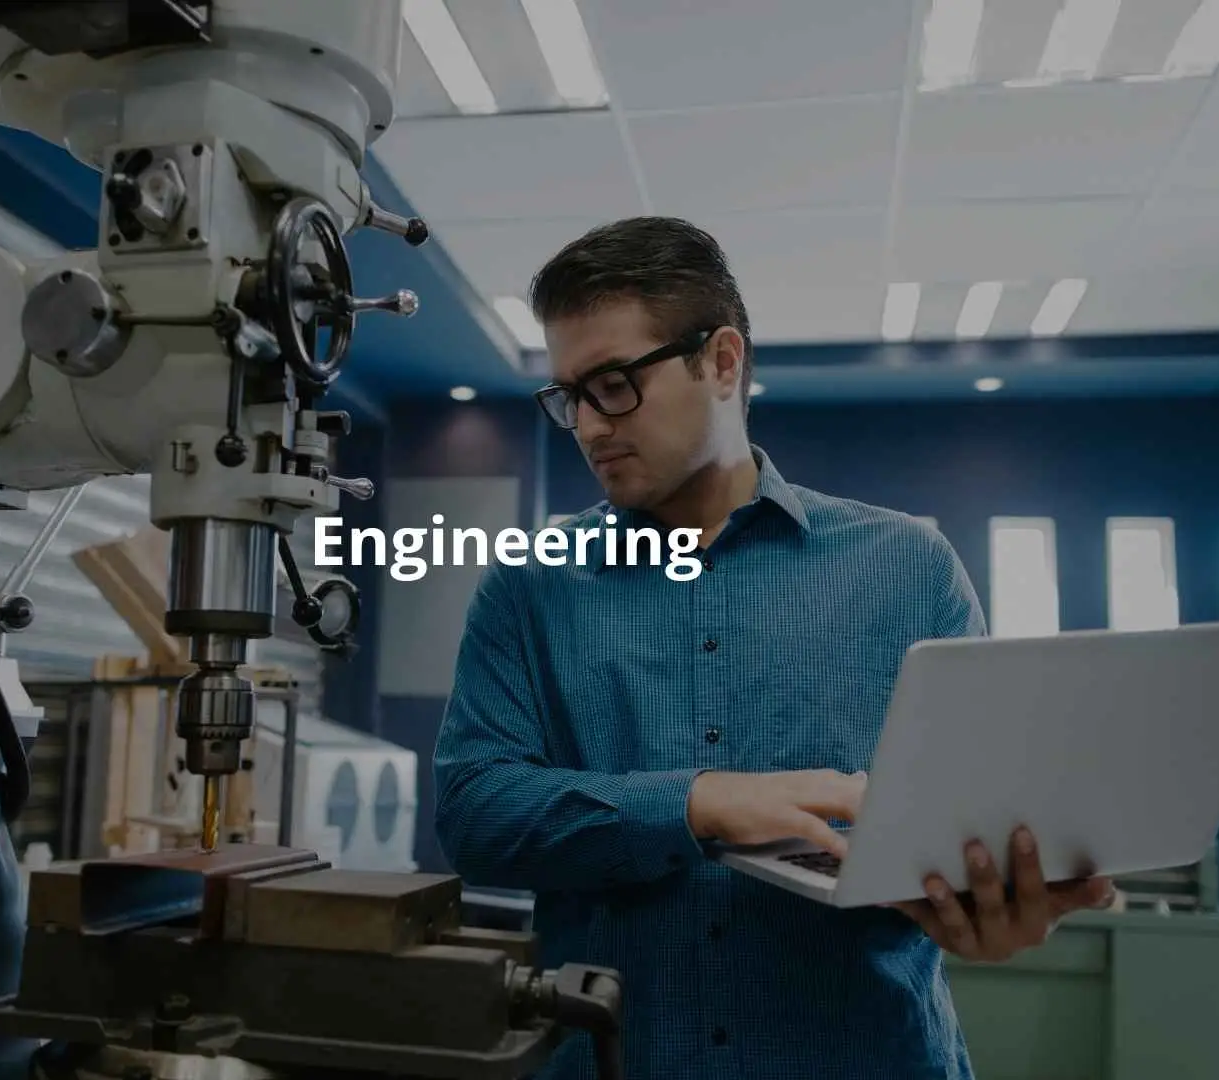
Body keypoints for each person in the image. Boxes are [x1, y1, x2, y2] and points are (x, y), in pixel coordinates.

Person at [432, 217, 1114, 1079]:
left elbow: (971, 817)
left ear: (721, 362)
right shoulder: (530, 585)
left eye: (611, 384)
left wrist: (1000, 901)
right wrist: (699, 803)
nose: (587, 426)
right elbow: (474, 812)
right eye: (566, 396)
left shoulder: (907, 568)